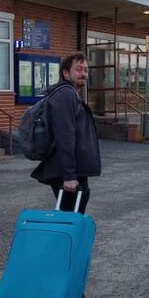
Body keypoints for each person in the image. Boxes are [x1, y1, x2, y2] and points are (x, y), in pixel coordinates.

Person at [31, 51, 101, 213]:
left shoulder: (68, 93)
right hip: (65, 171)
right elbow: (65, 136)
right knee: (70, 217)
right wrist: (69, 176)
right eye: (78, 69)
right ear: (65, 73)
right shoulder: (66, 95)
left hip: (71, 168)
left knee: (73, 213)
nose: (83, 74)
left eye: (86, 70)